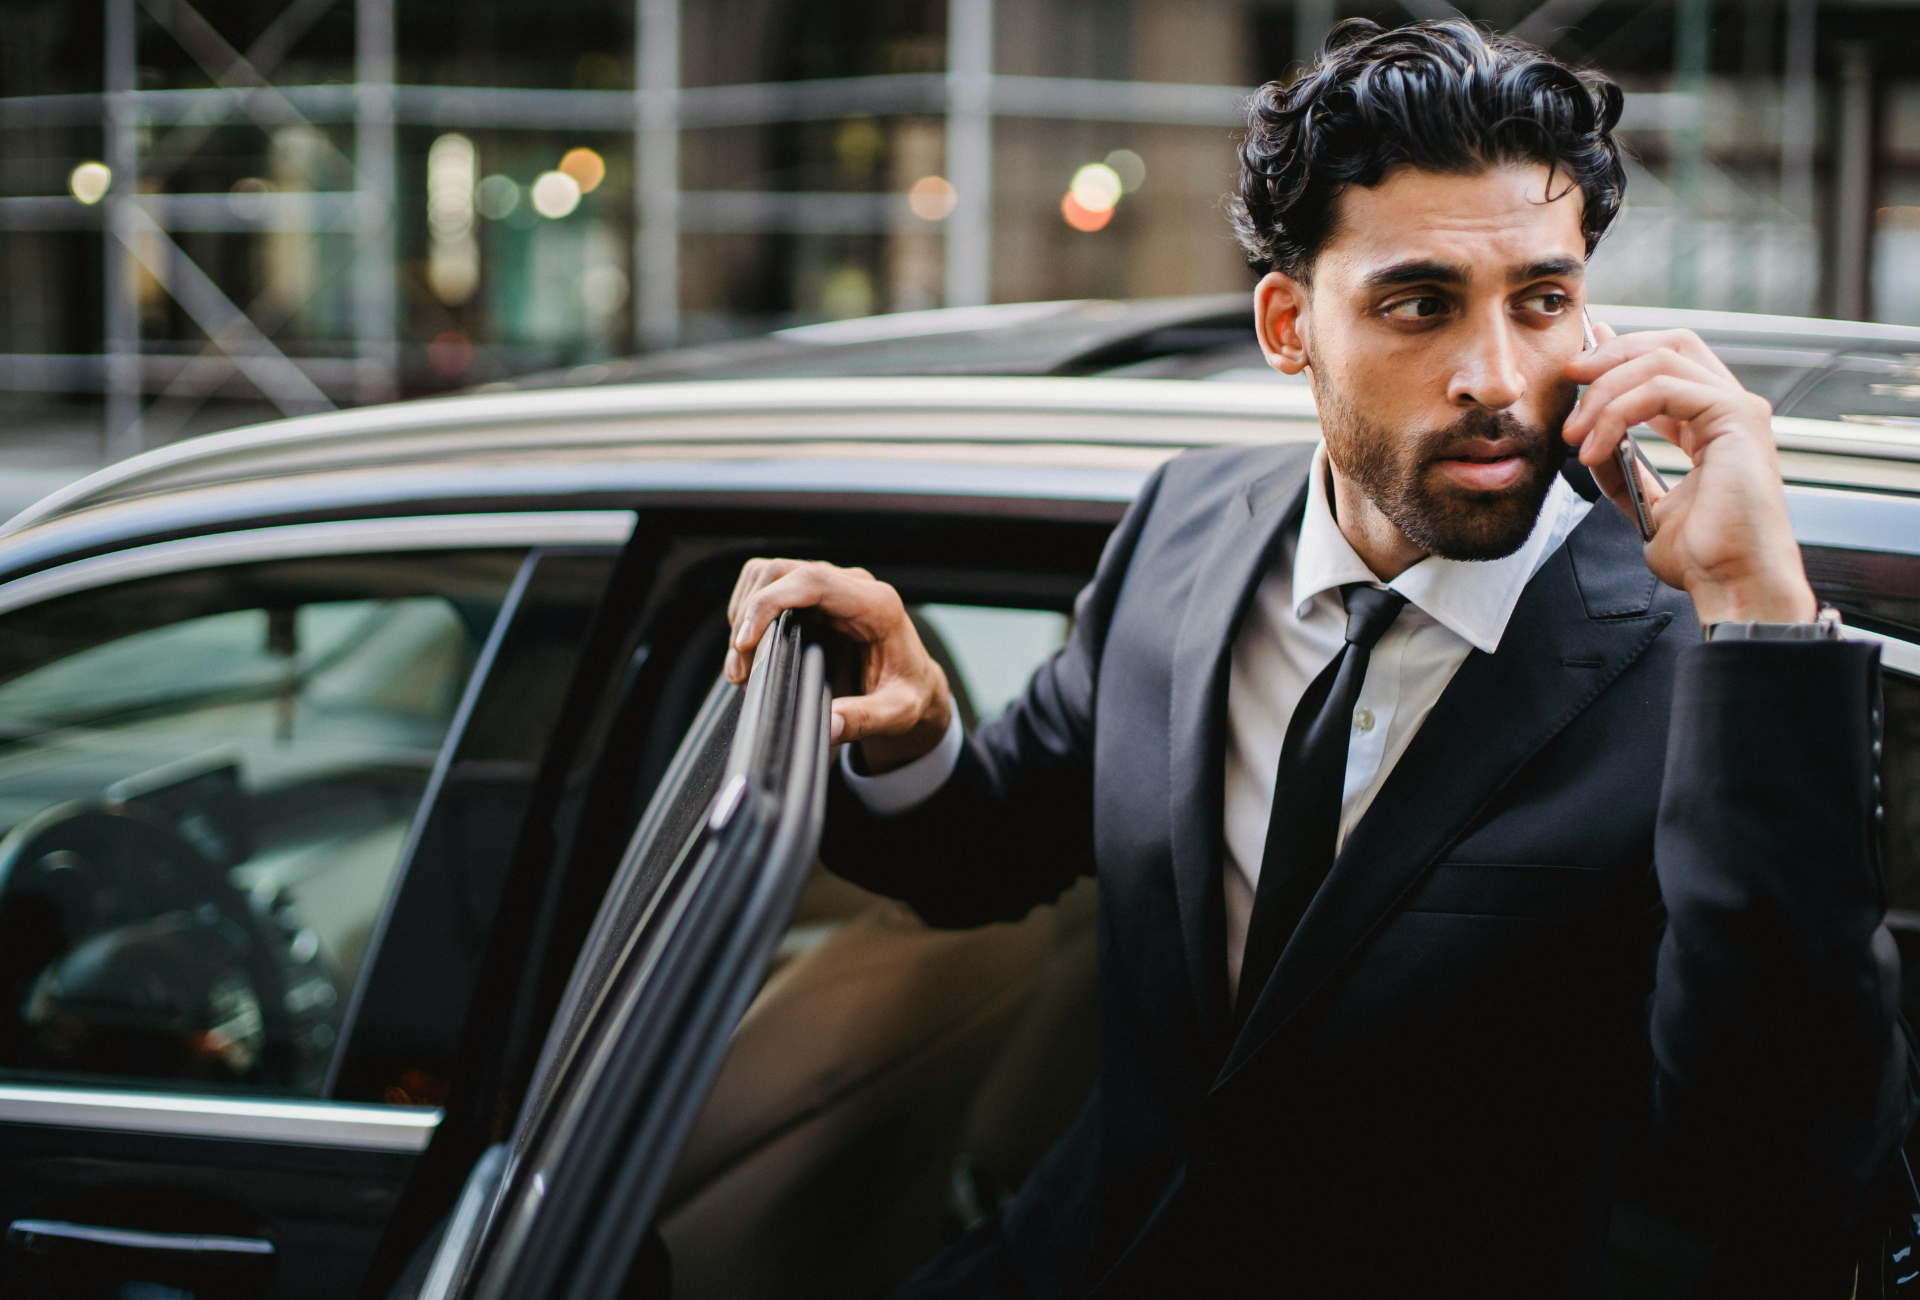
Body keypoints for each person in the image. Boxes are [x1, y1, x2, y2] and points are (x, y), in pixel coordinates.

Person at [725, 20, 1912, 1297]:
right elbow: (997, 846)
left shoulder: (1711, 661)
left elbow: (1786, 1166)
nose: (1498, 377)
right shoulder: (1184, 529)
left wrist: (1758, 608)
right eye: (1420, 304)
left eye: (1544, 299)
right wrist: (913, 739)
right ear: (1289, 324)